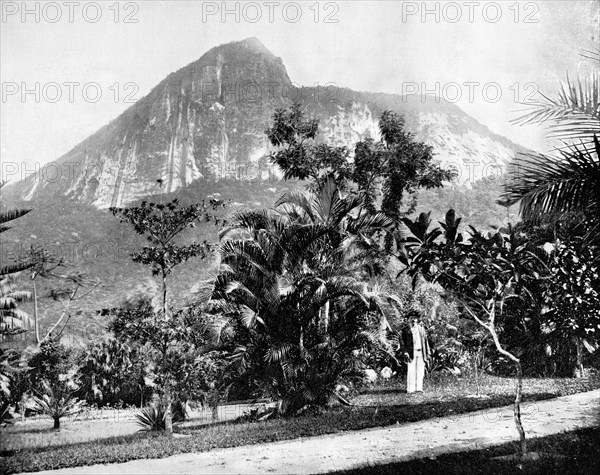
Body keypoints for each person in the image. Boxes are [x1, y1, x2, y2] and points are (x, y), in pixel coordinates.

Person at [401, 310, 431, 393]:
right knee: (411, 370)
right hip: (411, 352)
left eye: (415, 318)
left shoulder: (421, 329)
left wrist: (428, 353)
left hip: (421, 352)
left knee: (420, 370)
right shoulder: (405, 330)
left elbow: (426, 341)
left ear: (417, 319)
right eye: (411, 318)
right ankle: (410, 389)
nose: (413, 320)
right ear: (408, 319)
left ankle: (419, 388)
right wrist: (405, 352)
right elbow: (402, 343)